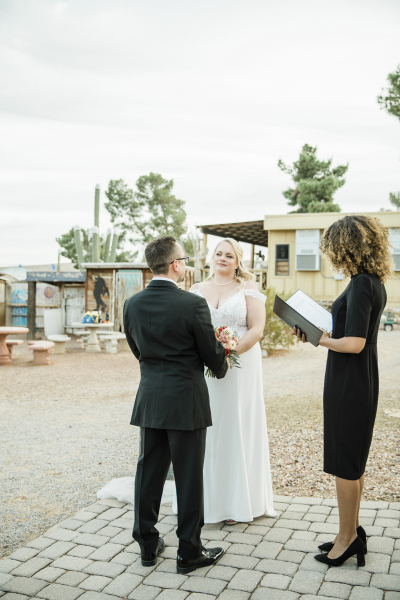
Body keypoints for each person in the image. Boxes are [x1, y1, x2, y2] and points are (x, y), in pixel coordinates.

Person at [123, 235, 228, 574]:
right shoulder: (192, 304)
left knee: (148, 472)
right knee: (188, 476)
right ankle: (189, 552)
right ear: (175, 264)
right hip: (186, 400)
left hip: (151, 397)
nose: (185, 264)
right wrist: (223, 355)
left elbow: (137, 350)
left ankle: (148, 544)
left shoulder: (132, 303)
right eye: (184, 259)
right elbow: (211, 356)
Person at [293, 215, 390, 567]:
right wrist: (319, 329)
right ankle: (348, 531)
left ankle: (348, 538)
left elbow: (355, 342)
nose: (331, 254)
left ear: (347, 245)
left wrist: (320, 339)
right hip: (354, 377)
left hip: (351, 380)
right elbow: (349, 329)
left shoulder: (362, 283)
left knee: (345, 464)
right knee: (352, 460)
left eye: (333, 247)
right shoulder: (369, 281)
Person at [173, 238, 276, 523]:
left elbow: (256, 329)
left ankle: (236, 502)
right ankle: (204, 500)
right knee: (207, 426)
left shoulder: (248, 290)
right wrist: (207, 356)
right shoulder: (195, 290)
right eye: (218, 254)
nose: (222, 259)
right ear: (211, 258)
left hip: (240, 366)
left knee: (236, 425)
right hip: (204, 368)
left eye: (229, 255)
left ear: (237, 261)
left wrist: (229, 354)